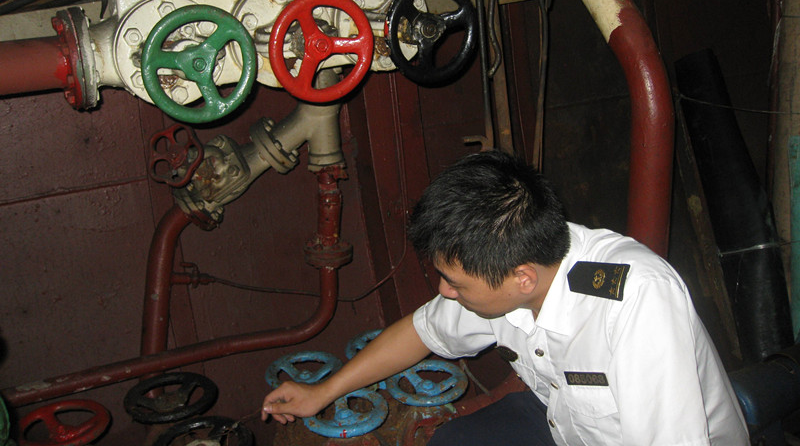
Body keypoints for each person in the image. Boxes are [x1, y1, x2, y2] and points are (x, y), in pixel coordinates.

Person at [261, 150, 748, 445]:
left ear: (522, 279)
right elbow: (420, 332)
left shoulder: (637, 301)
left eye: (455, 284)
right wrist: (323, 392)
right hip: (563, 423)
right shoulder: (508, 266)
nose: (444, 292)